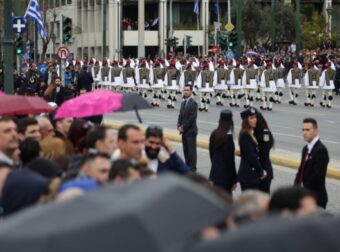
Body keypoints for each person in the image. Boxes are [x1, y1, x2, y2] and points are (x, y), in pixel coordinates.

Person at [294, 118, 329, 209]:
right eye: (303, 130)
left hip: (315, 199)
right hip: (303, 197)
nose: (304, 133)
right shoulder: (305, 148)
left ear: (316, 130)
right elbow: (300, 171)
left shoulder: (321, 150)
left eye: (308, 130)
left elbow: (317, 178)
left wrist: (302, 191)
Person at [237, 108, 267, 191]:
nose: (255, 120)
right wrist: (261, 171)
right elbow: (252, 156)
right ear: (246, 120)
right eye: (251, 118)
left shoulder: (250, 133)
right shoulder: (245, 134)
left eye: (255, 117)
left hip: (251, 175)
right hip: (248, 176)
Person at [209, 110, 237, 193]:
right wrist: (234, 179)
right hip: (225, 177)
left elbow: (212, 154)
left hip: (215, 174)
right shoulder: (228, 138)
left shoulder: (214, 133)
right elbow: (230, 161)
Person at [177, 84, 198, 172]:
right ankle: (187, 167)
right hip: (184, 131)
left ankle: (192, 168)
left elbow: (192, 118)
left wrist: (183, 127)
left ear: (191, 91)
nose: (186, 91)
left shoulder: (194, 103)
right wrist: (178, 125)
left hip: (190, 131)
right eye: (184, 90)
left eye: (188, 90)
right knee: (186, 150)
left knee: (191, 151)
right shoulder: (183, 103)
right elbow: (180, 116)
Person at [254, 111, 274, 193]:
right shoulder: (254, 132)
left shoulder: (264, 133)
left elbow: (263, 153)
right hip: (258, 170)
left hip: (264, 169)